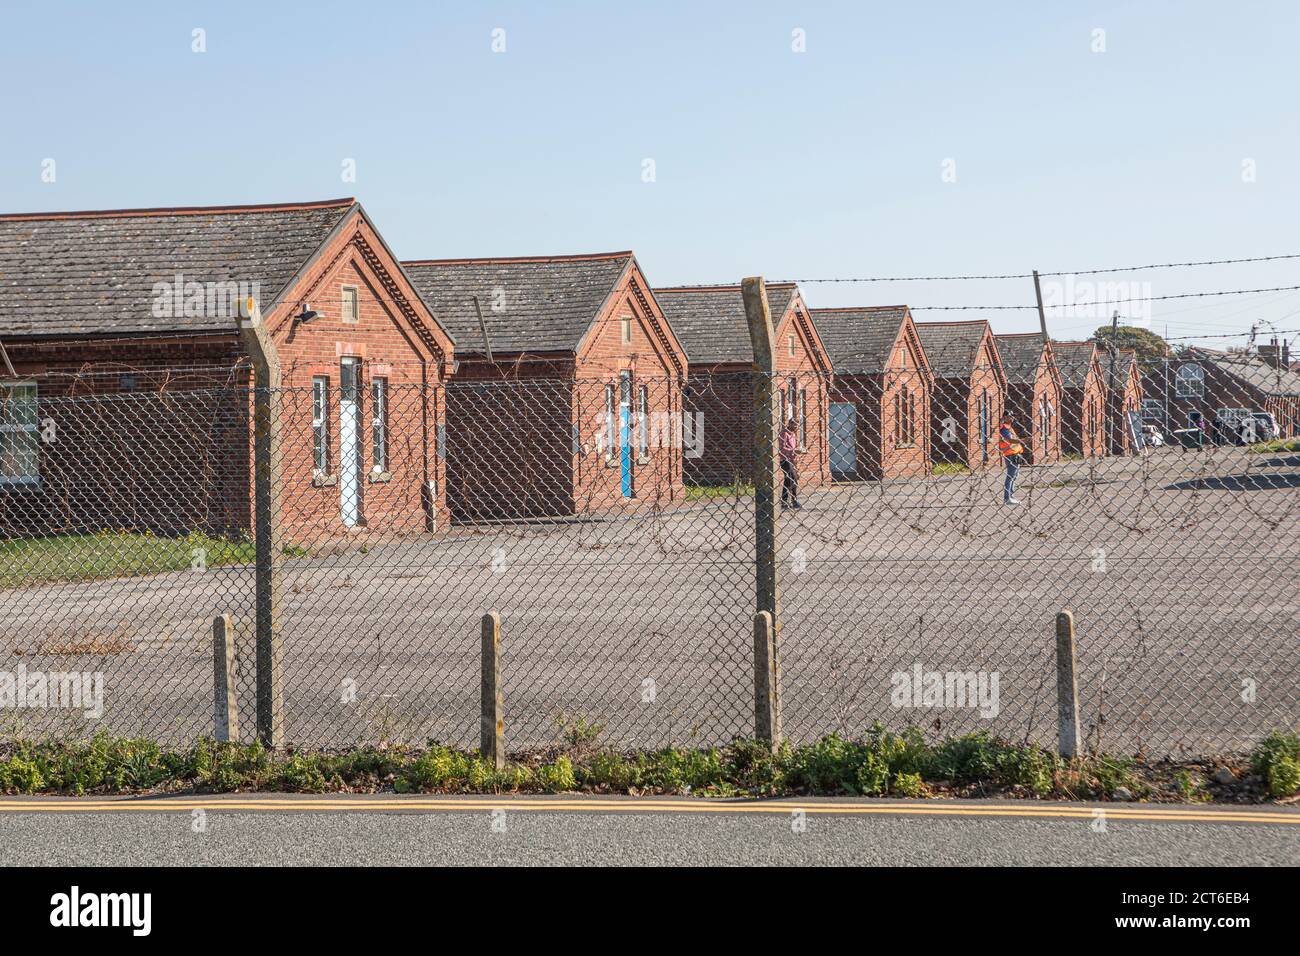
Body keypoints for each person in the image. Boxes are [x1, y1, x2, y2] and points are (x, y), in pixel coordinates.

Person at [997, 415, 1025, 506]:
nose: (1012, 418)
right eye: (1010, 416)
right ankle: (1007, 498)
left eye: (1013, 416)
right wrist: (1023, 440)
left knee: (1015, 475)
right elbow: (1011, 440)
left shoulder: (1009, 427)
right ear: (1005, 418)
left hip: (1014, 453)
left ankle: (1011, 496)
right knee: (1011, 476)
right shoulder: (1004, 429)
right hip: (1010, 454)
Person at [779, 416, 801, 510]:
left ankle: (784, 501)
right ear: (790, 424)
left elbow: (793, 449)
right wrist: (793, 451)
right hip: (785, 460)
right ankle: (794, 501)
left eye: (797, 426)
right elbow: (781, 449)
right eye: (794, 425)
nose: (796, 427)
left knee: (787, 480)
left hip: (791, 460)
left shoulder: (793, 434)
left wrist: (795, 455)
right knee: (793, 479)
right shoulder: (784, 433)